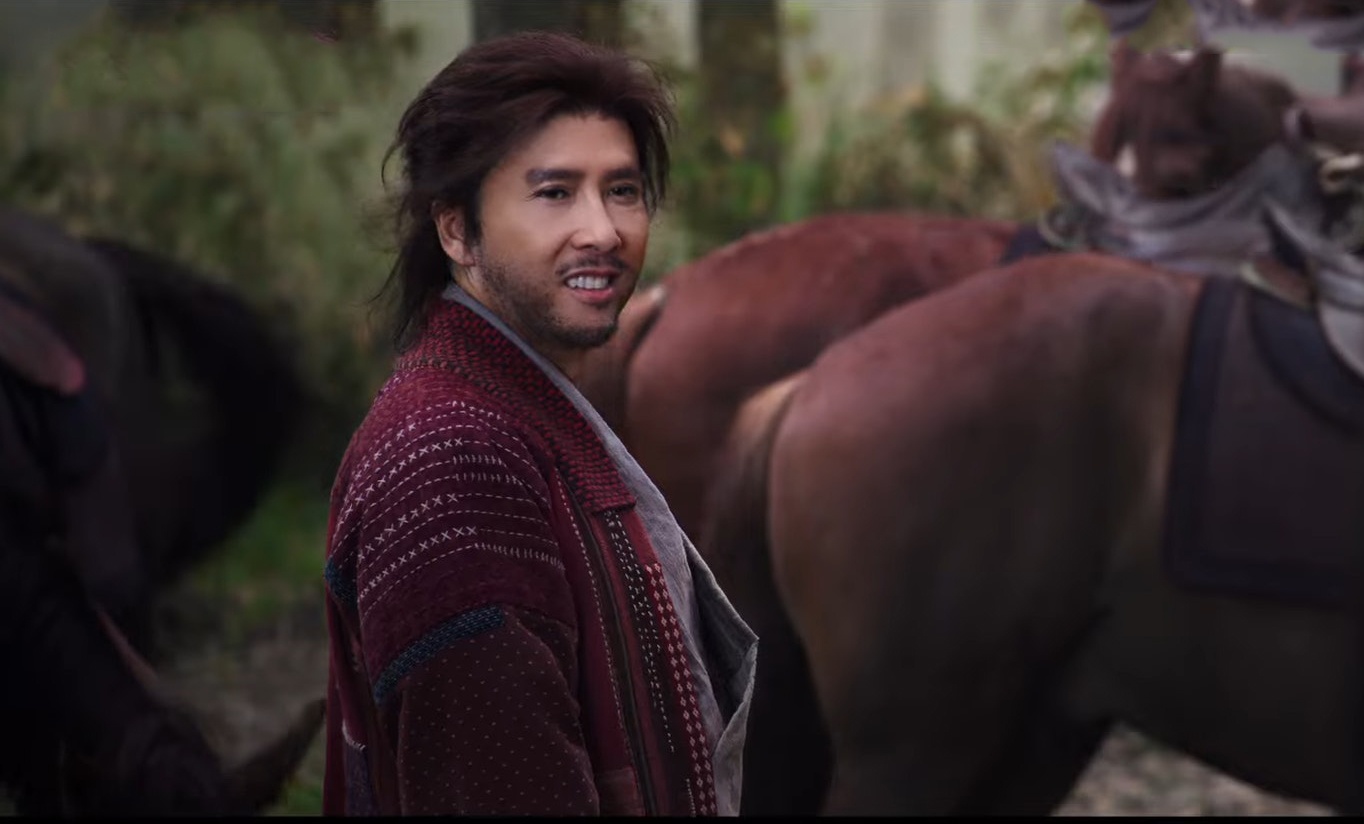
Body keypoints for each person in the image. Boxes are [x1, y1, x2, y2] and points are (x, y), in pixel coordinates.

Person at [321, 31, 757, 816]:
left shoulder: (513, 410)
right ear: (457, 231)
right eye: (555, 193)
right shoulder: (451, 461)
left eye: (622, 191)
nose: (603, 231)